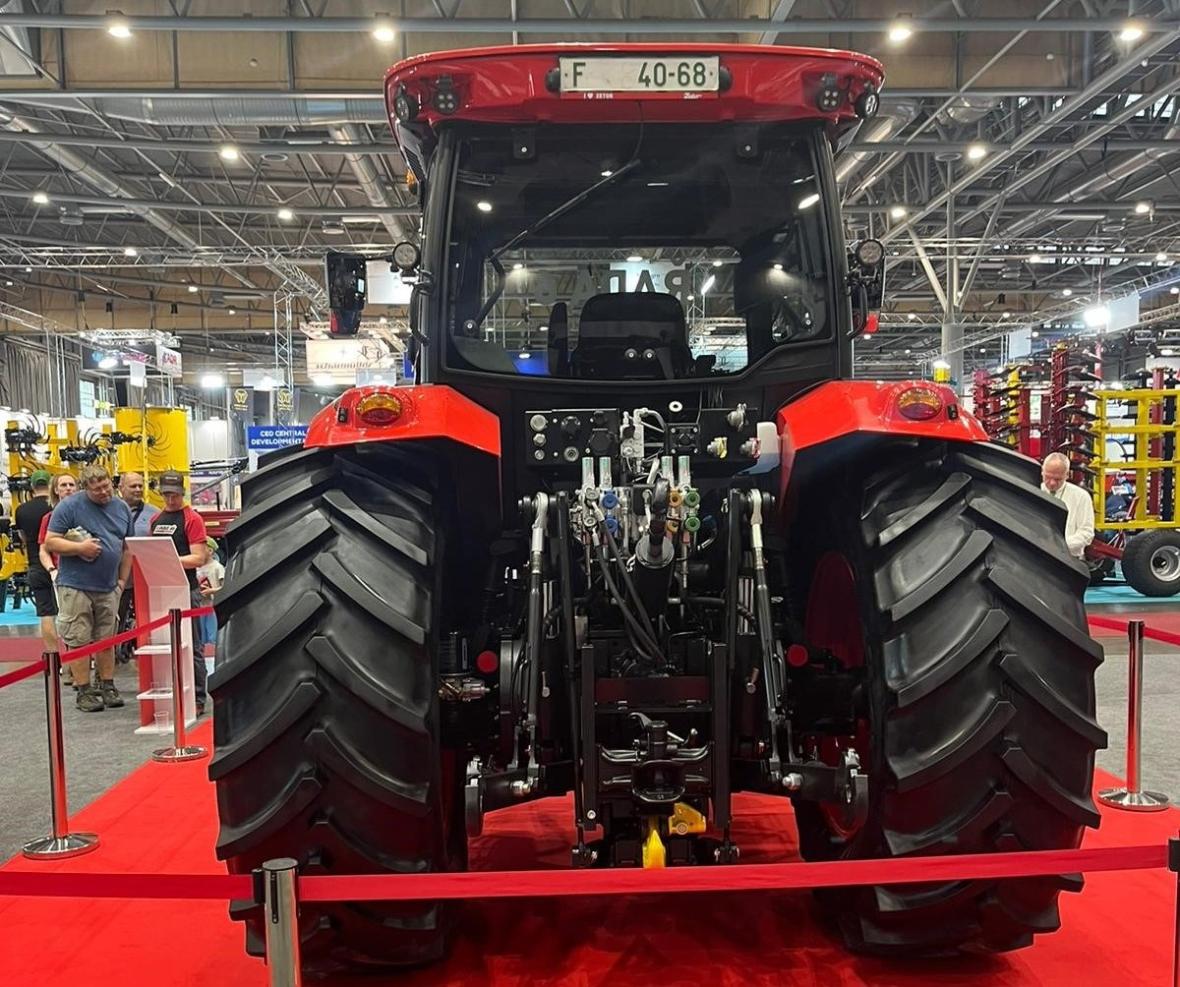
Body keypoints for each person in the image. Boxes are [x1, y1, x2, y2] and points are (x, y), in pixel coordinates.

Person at [44, 464, 132, 713]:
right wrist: (79, 549)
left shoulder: (121, 507)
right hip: (75, 585)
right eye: (97, 490)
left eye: (106, 487)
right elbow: (50, 541)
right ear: (86, 489)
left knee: (107, 639)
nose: (103, 493)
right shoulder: (69, 506)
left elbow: (127, 547)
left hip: (108, 586)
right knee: (78, 639)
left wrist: (122, 582)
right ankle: (83, 690)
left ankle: (107, 685)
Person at [149, 471, 210, 714]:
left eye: (174, 494)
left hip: (188, 589)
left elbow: (198, 557)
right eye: (166, 494)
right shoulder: (156, 519)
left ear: (182, 492)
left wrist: (168, 559)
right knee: (167, 645)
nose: (170, 499)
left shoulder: (192, 519)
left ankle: (197, 697)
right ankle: (171, 693)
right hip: (163, 591)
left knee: (193, 646)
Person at [37, 473, 78, 679]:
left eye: (72, 484)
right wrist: (52, 570)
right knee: (67, 621)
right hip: (63, 577)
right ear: (56, 489)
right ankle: (69, 666)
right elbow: (43, 549)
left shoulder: (87, 514)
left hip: (88, 576)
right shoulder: (49, 519)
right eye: (64, 485)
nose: (68, 488)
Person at [14, 470, 57, 651]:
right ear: (51, 485)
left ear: (31, 487)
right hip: (60, 564)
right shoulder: (57, 507)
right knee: (69, 614)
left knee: (46, 613)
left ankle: (54, 659)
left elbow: (22, 537)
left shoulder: (21, 510)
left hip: (35, 564)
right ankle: (72, 663)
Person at [1041, 452, 1096, 560]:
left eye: (1057, 479)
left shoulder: (1081, 497)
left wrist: (1061, 546)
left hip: (1071, 559)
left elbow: (1087, 532)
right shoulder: (1034, 491)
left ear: (1067, 475)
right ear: (1042, 472)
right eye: (1047, 477)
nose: (1051, 483)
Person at [118, 471, 155, 536]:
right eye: (133, 486)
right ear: (121, 488)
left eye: (140, 486)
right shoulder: (111, 511)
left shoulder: (154, 514)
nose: (138, 490)